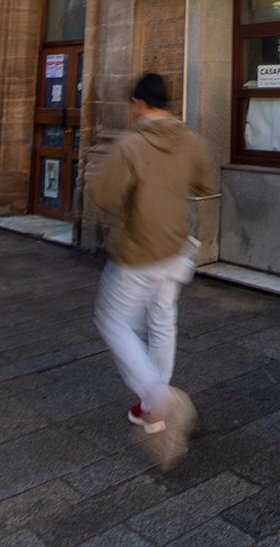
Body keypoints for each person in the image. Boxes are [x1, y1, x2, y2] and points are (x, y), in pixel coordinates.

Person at [91, 72, 217, 469]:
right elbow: (205, 182)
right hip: (176, 247)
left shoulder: (132, 145)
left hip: (140, 250)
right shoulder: (191, 140)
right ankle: (151, 405)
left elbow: (103, 195)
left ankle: (160, 399)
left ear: (140, 103)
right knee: (162, 319)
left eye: (132, 104)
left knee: (113, 322)